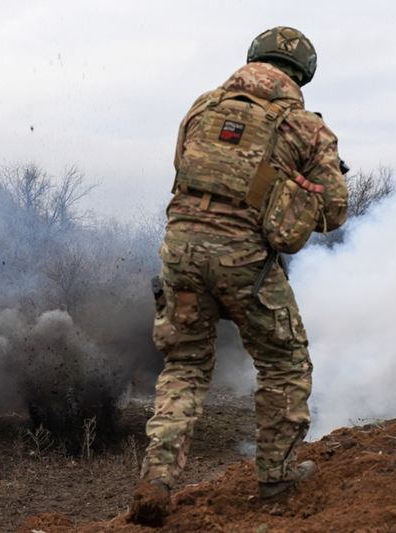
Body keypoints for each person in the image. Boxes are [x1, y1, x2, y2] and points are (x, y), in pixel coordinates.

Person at [128, 26, 349, 527]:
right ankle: (276, 476)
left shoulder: (202, 107)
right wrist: (297, 191)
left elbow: (186, 170)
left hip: (180, 250)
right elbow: (334, 211)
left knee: (185, 364)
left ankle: (156, 479)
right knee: (283, 361)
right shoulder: (306, 127)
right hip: (243, 259)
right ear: (301, 75)